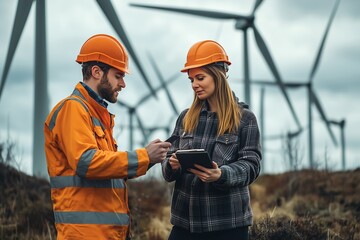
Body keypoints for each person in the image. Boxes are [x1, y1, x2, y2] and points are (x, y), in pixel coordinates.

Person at [44, 34, 171, 240]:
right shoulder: (73, 109)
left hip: (107, 234)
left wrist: (149, 159)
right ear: (96, 72)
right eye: (118, 76)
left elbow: (109, 169)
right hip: (84, 235)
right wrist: (143, 156)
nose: (123, 84)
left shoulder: (97, 114)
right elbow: (86, 162)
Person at [162, 40, 262, 240]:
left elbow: (252, 165)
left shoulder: (244, 118)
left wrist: (221, 175)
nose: (194, 85)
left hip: (227, 226)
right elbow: (168, 158)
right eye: (191, 80)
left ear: (219, 76)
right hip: (184, 224)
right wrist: (172, 164)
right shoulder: (185, 117)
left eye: (200, 78)